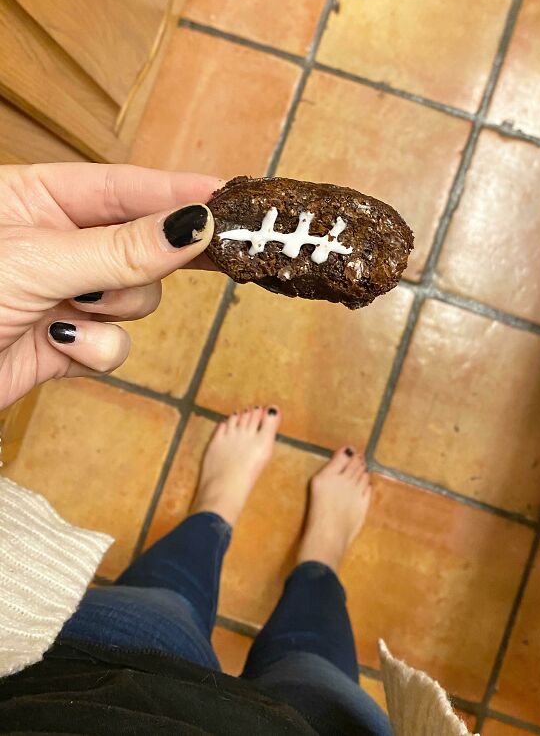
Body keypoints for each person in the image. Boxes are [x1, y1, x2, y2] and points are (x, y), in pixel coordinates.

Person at [0, 162, 468, 736]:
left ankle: (215, 512)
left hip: (74, 684)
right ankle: (316, 555)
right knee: (311, 669)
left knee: (162, 605)